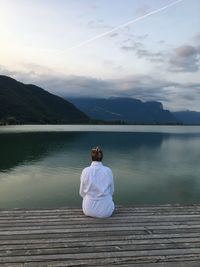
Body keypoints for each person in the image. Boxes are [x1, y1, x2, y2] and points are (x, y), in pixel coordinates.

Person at [79, 146, 115, 218]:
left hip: (88, 209)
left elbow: (81, 192)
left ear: (91, 157)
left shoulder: (85, 171)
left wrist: (90, 197)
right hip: (105, 211)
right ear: (102, 157)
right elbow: (112, 191)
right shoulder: (108, 171)